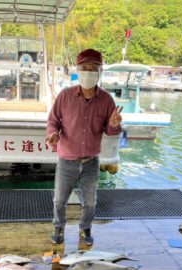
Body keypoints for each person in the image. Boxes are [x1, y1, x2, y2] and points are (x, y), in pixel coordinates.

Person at [46, 48, 122, 245]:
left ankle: (85, 228)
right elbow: (53, 122)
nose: (88, 72)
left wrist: (114, 125)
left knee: (90, 202)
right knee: (59, 200)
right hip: (66, 160)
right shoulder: (65, 96)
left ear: (99, 72)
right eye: (84, 68)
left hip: (91, 162)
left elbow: (110, 130)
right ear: (78, 70)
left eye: (93, 68)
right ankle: (58, 227)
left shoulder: (106, 100)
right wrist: (53, 134)